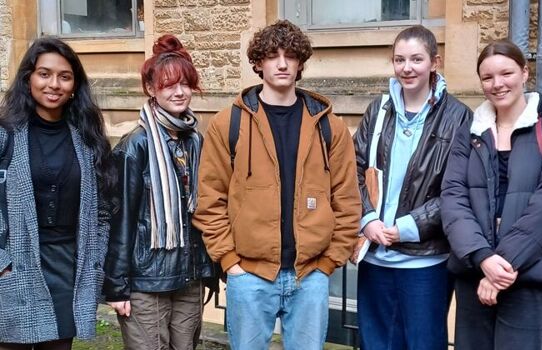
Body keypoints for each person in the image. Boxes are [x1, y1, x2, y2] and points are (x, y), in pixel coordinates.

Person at [193, 19, 361, 350]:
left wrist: (328, 263)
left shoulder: (329, 126)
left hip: (310, 275)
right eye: (272, 55)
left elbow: (347, 199)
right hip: (249, 276)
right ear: (258, 63)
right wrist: (230, 262)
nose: (282, 63)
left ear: (300, 63)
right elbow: (210, 199)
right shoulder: (230, 122)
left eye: (290, 55)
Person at [441, 39, 542, 349]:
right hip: (474, 275)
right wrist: (483, 258)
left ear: (525, 72)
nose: (497, 84)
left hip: (528, 277)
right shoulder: (469, 133)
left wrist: (500, 266)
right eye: (487, 77)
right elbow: (453, 199)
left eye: (506, 73)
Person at [353, 25, 472, 350]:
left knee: (423, 344)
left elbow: (457, 189)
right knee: (375, 343)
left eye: (416, 59)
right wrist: (368, 220)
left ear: (435, 62)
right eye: (399, 59)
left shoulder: (458, 117)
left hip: (425, 262)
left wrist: (407, 228)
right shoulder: (378, 111)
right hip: (375, 257)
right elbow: (353, 169)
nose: (407, 68)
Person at [103, 34, 218, 350]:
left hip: (187, 275)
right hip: (146, 281)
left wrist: (207, 269)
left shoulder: (195, 141)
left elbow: (204, 211)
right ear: (151, 90)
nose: (179, 92)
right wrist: (117, 287)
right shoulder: (135, 145)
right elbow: (120, 218)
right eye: (169, 85)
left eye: (185, 84)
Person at [0, 37, 115, 349]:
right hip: (17, 266)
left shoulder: (87, 138)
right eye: (44, 74)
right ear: (29, 78)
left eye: (64, 77)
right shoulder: (6, 134)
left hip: (68, 269)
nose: (54, 84)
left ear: (75, 84)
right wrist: (2, 261)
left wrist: (95, 261)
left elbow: (103, 210)